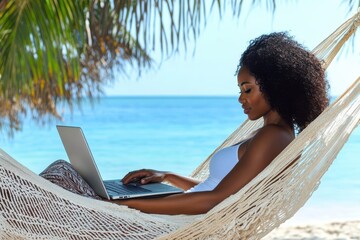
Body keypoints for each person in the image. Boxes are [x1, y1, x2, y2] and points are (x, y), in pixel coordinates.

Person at [40, 32, 329, 215]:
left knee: (61, 175)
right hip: (182, 212)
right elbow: (215, 187)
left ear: (276, 85)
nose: (241, 98)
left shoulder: (274, 138)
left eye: (247, 89)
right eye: (241, 90)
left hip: (176, 227)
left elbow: (212, 201)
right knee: (63, 179)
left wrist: (122, 205)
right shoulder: (269, 133)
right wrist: (166, 175)